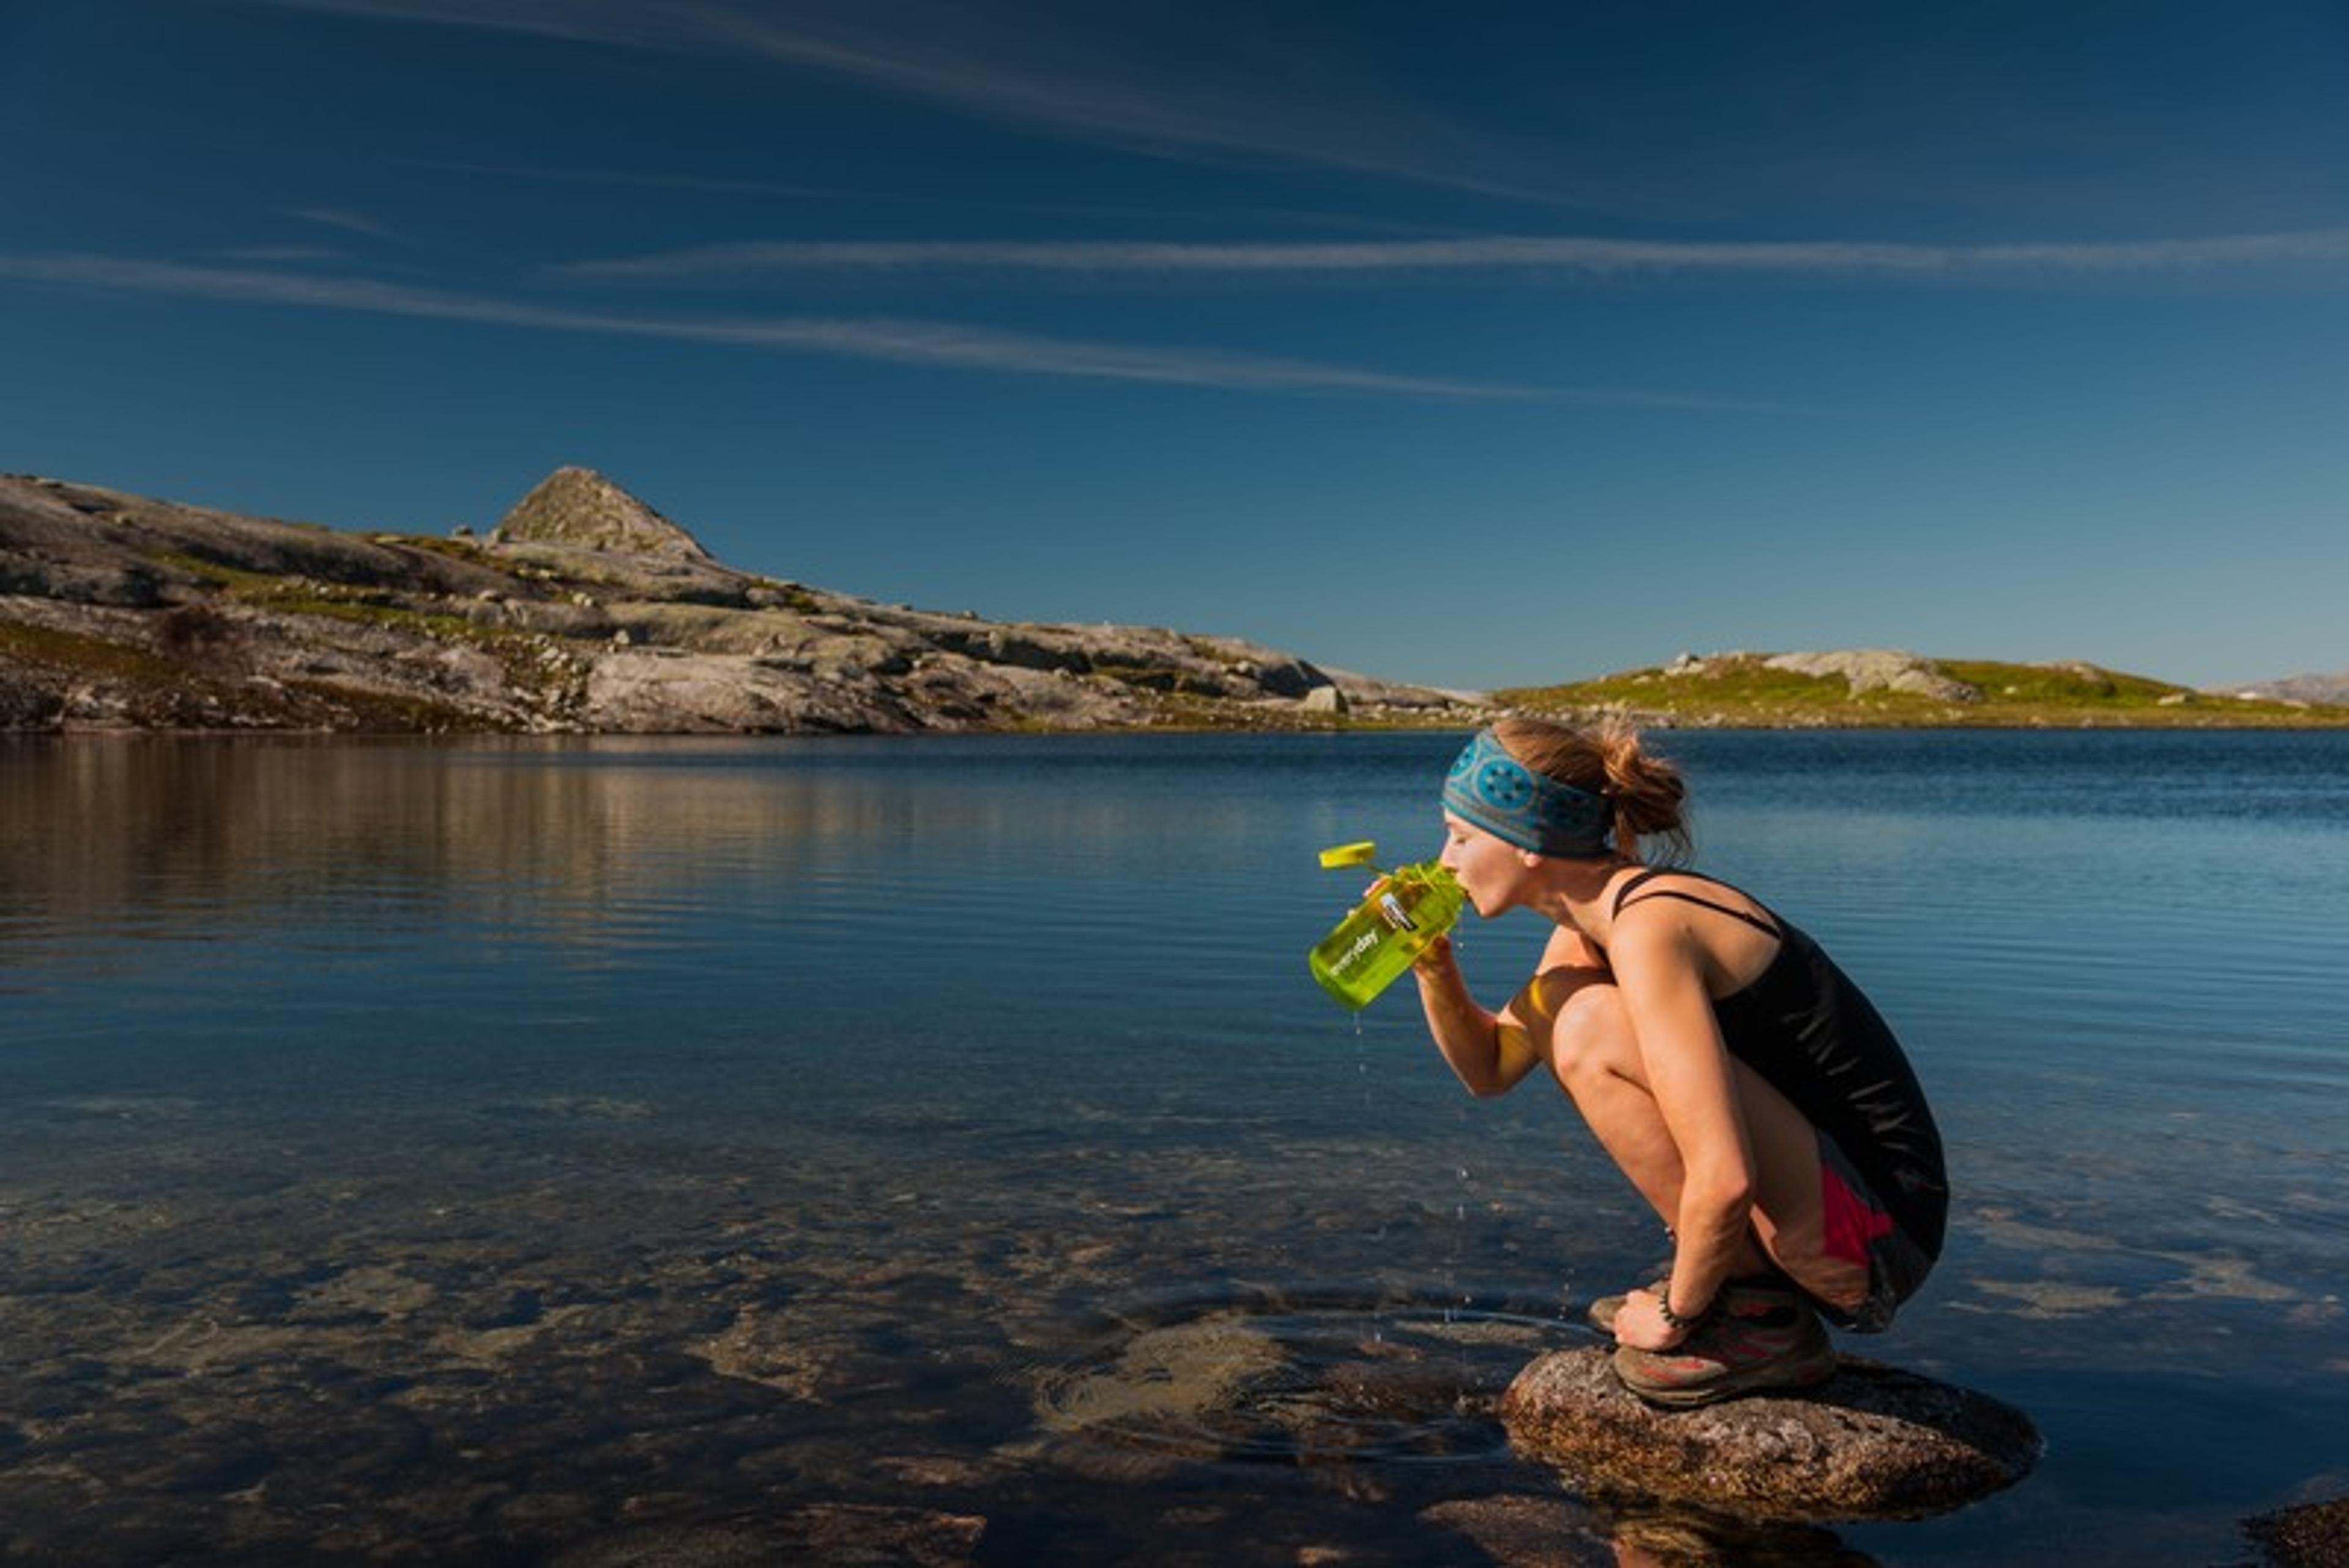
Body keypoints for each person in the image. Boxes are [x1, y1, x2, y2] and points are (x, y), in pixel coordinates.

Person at [1409, 719, 1946, 1407]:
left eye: (1460, 835)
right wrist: (1434, 968)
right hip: (1842, 1219)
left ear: (1529, 843)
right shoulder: (1587, 931)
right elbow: (1489, 1070)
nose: (1444, 860)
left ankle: (1757, 1320)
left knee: (1588, 1025)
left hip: (1870, 1239)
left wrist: (1675, 1315)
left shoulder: (1649, 925)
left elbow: (1724, 1176)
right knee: (1570, 1007)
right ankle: (1739, 1292)